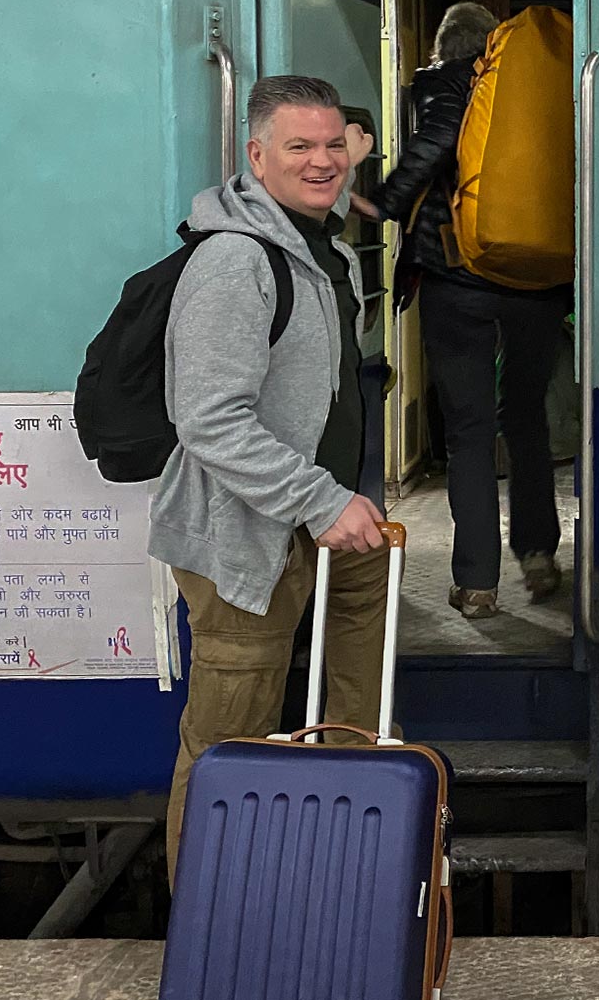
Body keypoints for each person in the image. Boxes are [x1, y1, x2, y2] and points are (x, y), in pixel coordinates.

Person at [149, 75, 391, 883]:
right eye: (299, 147)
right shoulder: (234, 261)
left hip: (330, 525)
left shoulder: (328, 251)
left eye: (334, 144)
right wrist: (321, 500)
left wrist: (341, 505)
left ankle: (330, 900)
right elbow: (209, 419)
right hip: (248, 538)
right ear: (256, 156)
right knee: (228, 749)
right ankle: (213, 931)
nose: (323, 162)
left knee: (356, 727)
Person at [351, 3, 571, 620]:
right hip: (538, 279)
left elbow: (439, 140)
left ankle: (476, 584)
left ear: (447, 48)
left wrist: (386, 201)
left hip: (458, 278)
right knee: (525, 420)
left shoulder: (447, 81)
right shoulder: (544, 91)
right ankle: (537, 554)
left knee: (470, 432)